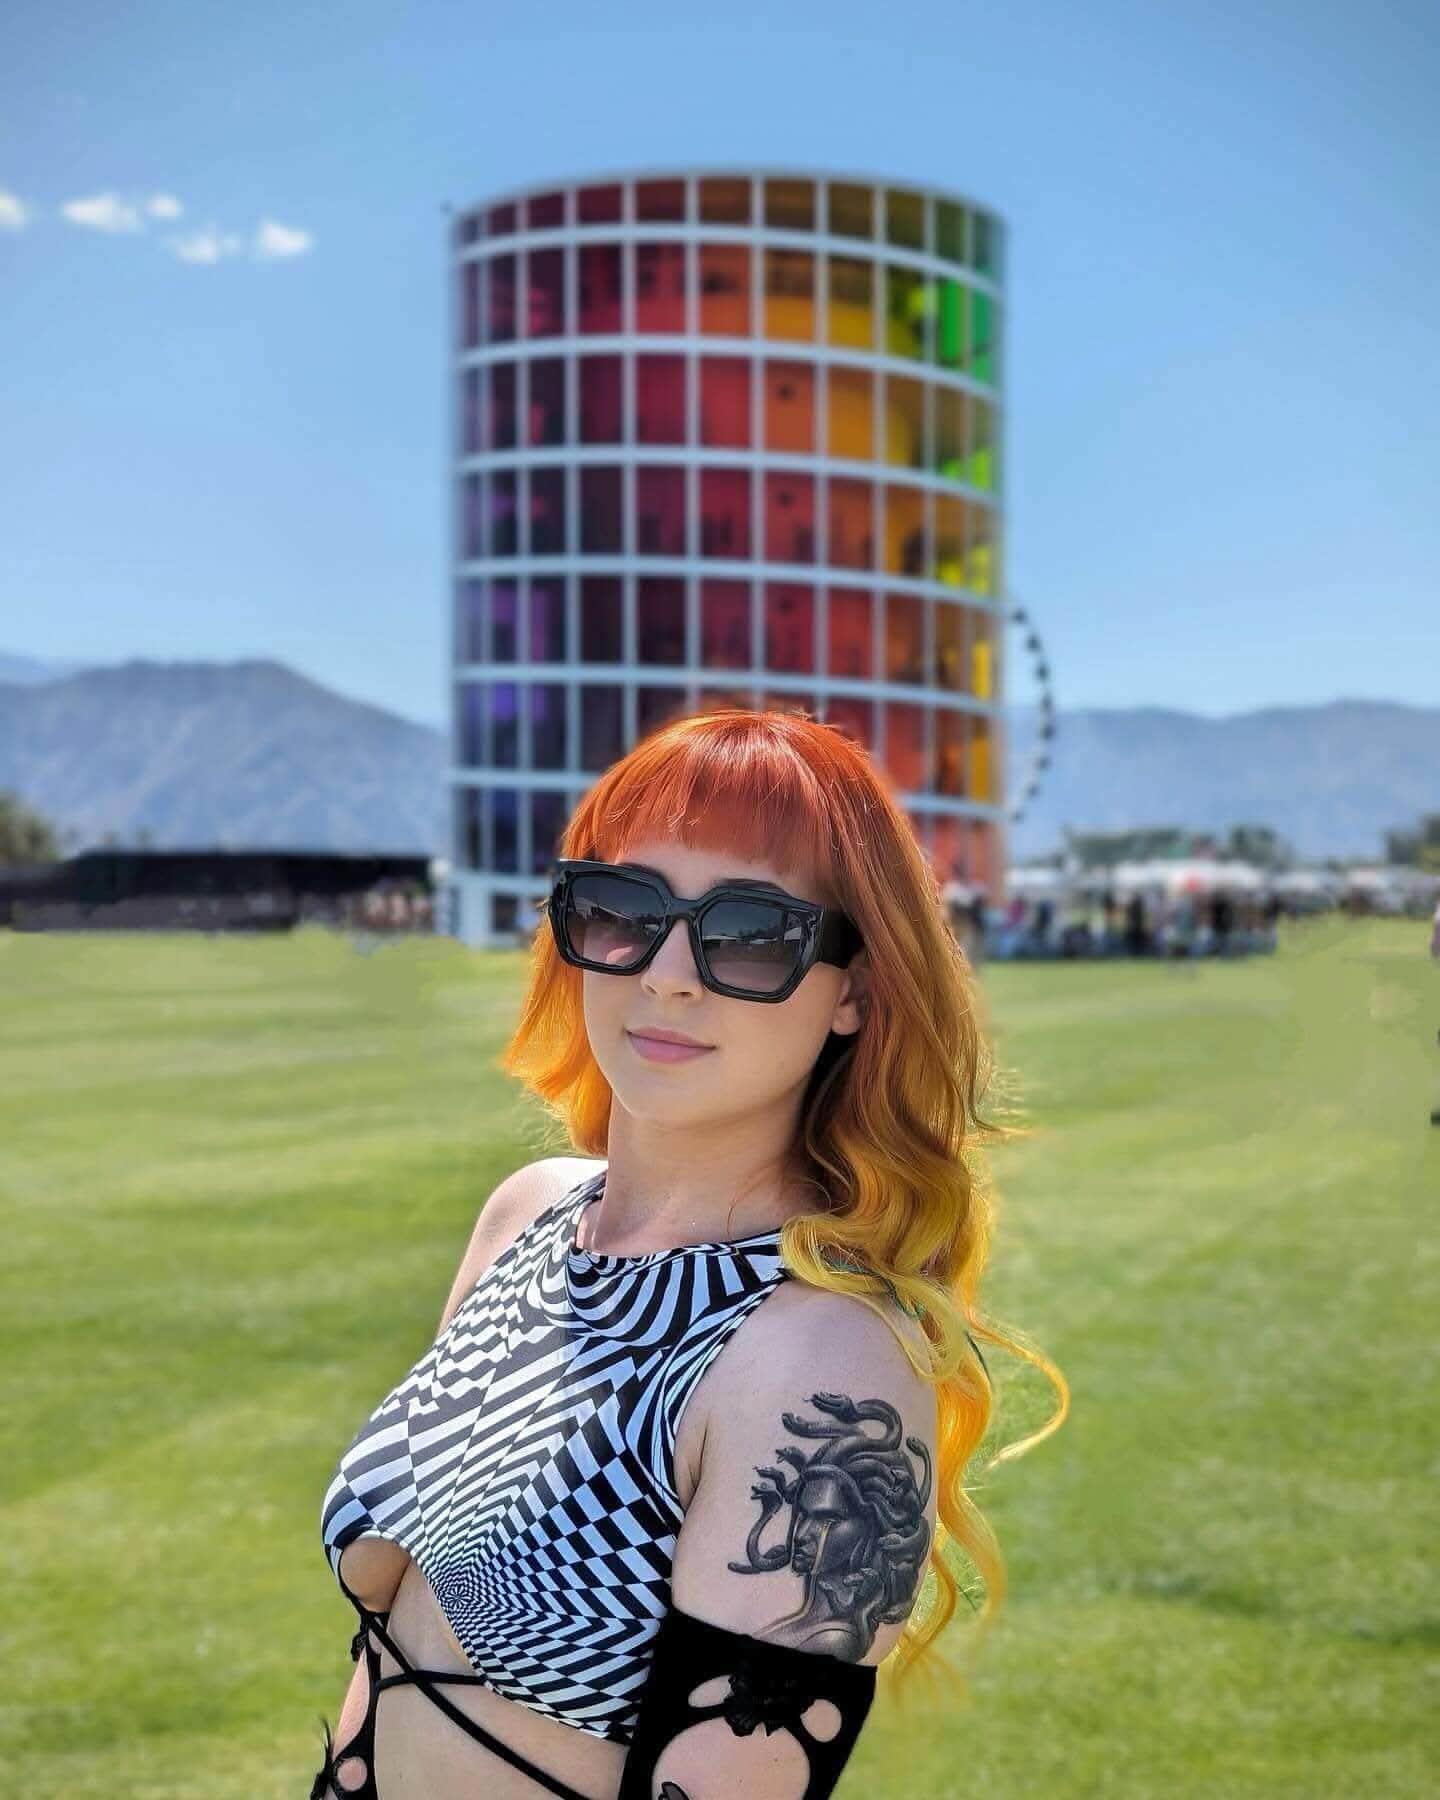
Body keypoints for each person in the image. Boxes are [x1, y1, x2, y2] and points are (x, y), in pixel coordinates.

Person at [309, 706, 1068, 1798]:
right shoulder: (526, 1216)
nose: (667, 973)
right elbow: (390, 1660)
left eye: (752, 933)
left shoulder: (819, 1359)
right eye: (622, 910)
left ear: (856, 986)